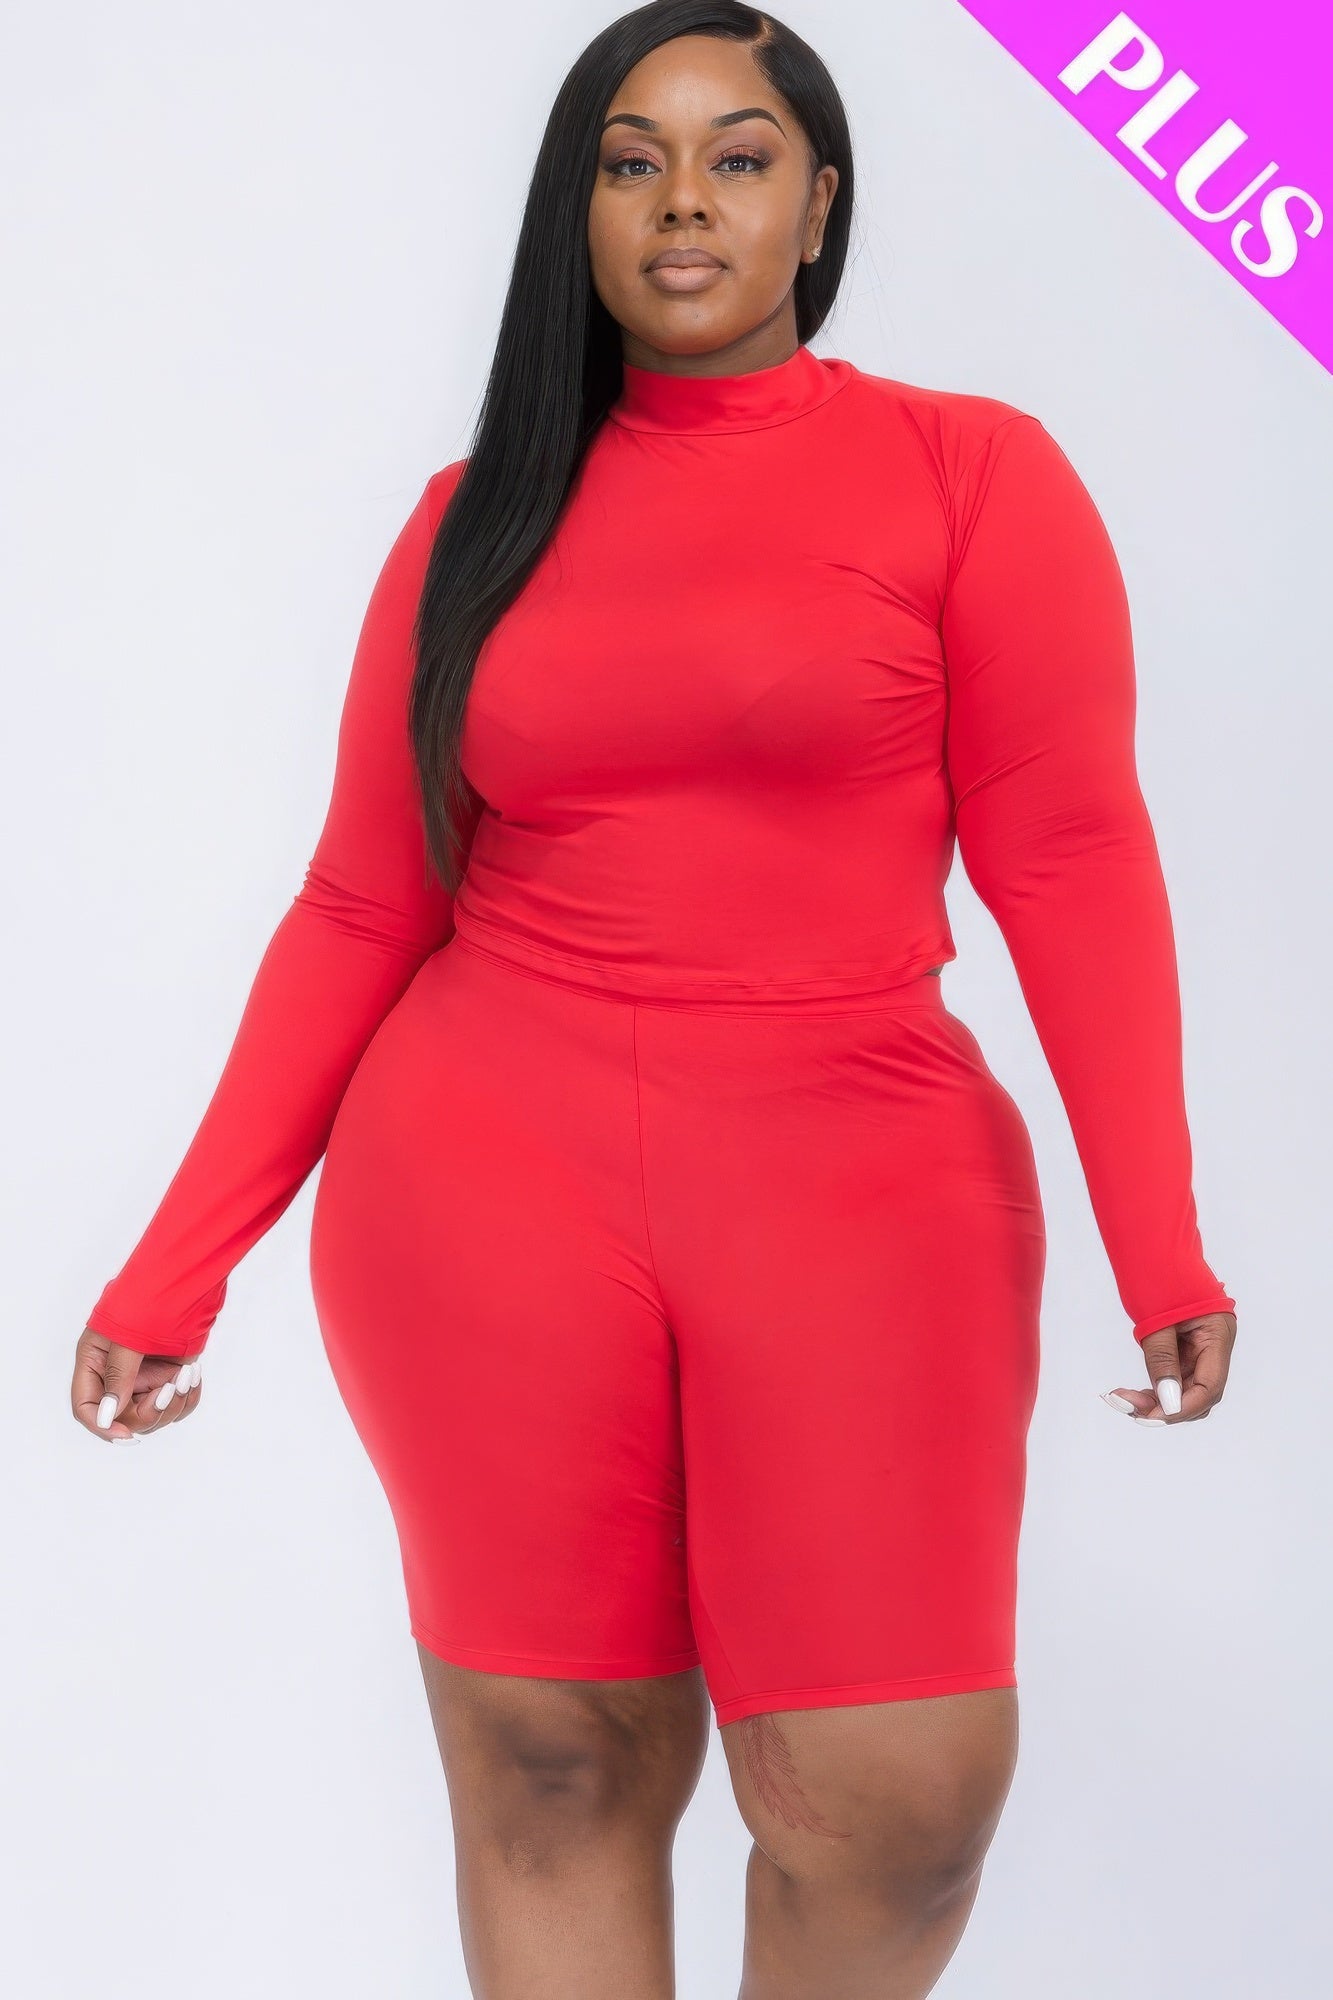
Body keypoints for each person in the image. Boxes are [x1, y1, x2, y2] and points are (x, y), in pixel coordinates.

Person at [71, 4, 1238, 1993]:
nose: (683, 199)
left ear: (819, 205)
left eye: (738, 155)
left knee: (897, 1805)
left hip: (859, 1184)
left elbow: (1068, 858)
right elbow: (362, 903)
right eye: (631, 161)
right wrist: (172, 1269)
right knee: (554, 1770)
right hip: (488, 1189)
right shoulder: (473, 520)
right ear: (581, 209)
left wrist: (1159, 1238)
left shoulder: (969, 473)